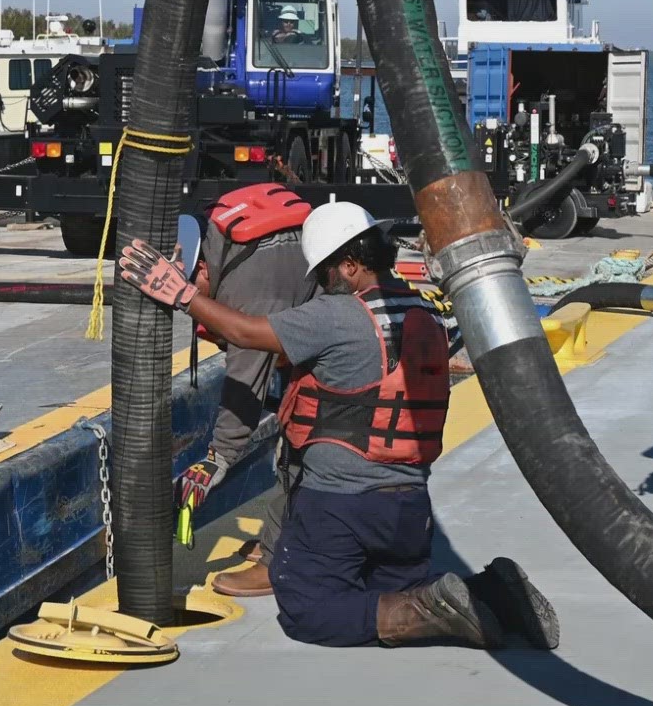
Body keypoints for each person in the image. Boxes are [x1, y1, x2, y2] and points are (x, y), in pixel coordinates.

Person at [118, 203, 558, 650]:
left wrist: (183, 295)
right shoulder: (425, 313)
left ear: (350, 265)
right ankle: (496, 593)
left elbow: (250, 334)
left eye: (326, 272)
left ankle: (431, 610)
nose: (322, 284)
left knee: (309, 608)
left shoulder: (337, 316)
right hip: (409, 511)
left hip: (342, 506)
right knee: (387, 594)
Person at [174, 185, 318, 597]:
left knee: (307, 443)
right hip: (330, 334)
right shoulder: (237, 245)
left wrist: (218, 457)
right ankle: (291, 537)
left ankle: (281, 559)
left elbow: (246, 384)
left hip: (353, 356)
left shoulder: (246, 290)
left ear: (203, 268)